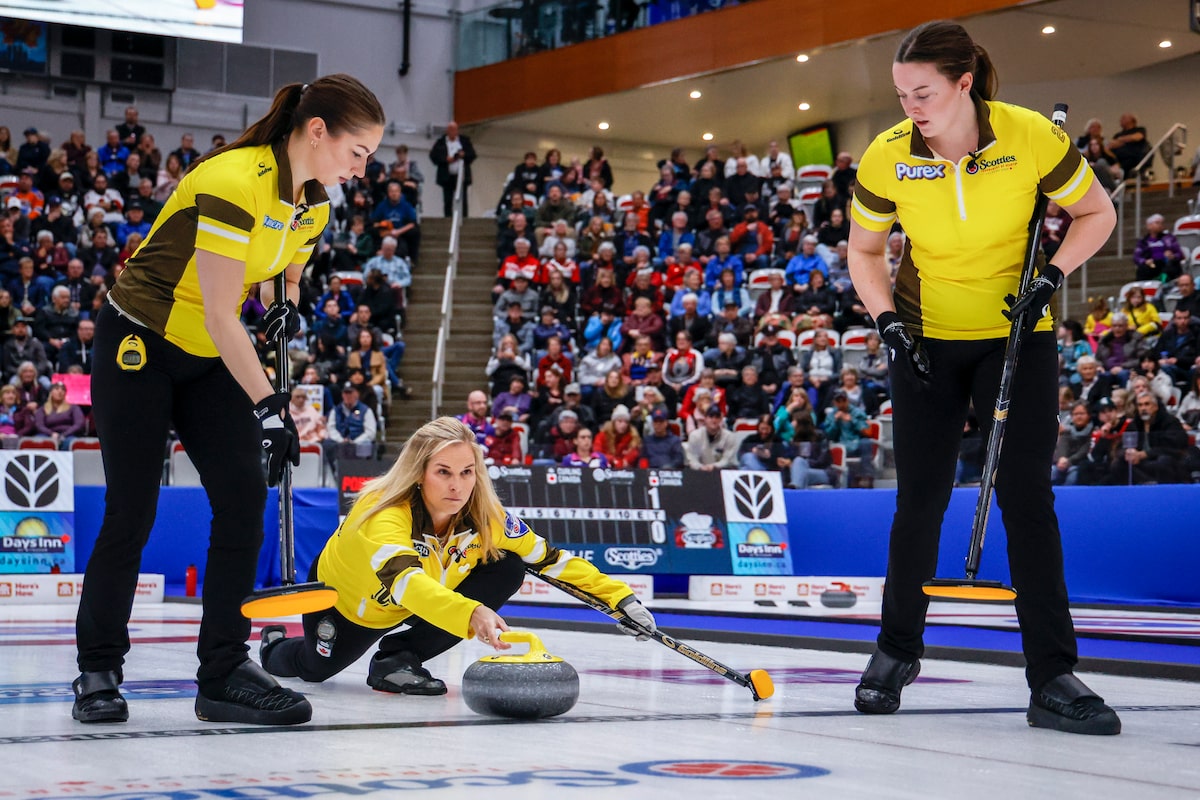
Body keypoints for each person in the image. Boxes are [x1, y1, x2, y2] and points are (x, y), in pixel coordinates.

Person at [71, 74, 386, 728]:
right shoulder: (234, 180)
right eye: (357, 153)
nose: (362, 169)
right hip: (142, 341)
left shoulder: (316, 204)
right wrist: (270, 406)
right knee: (132, 509)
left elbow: (284, 277)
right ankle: (98, 668)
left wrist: (286, 309)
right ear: (318, 131)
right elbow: (219, 312)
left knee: (244, 498)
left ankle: (222, 672)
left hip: (207, 356)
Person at [846, 21, 1120, 734]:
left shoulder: (1030, 137)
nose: (910, 105)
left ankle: (1052, 673)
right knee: (920, 500)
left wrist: (1053, 276)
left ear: (964, 83)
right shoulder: (887, 157)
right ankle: (896, 649)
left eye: (924, 91)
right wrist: (885, 323)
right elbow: (865, 252)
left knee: (1026, 495)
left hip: (1015, 334)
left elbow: (1097, 211)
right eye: (901, 92)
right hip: (926, 341)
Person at [260, 417, 653, 692]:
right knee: (314, 669)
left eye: (467, 472)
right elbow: (405, 583)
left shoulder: (486, 516)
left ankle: (398, 659)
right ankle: (274, 645)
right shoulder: (380, 514)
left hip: (427, 594)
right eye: (443, 472)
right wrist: (471, 612)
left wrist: (620, 600)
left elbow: (550, 559)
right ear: (418, 472)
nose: (458, 485)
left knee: (509, 565)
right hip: (351, 603)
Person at [430, 121, 476, 217]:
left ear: (457, 131)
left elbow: (472, 155)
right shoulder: (440, 142)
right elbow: (433, 156)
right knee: (447, 199)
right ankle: (448, 217)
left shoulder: (464, 141)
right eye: (450, 130)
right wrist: (445, 159)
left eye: (454, 130)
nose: (452, 132)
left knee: (463, 198)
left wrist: (463, 155)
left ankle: (464, 217)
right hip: (447, 176)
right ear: (447, 131)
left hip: (461, 175)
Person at [683, 404, 737, 471]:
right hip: (699, 473)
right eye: (711, 417)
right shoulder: (695, 435)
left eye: (717, 417)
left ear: (721, 419)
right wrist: (700, 467)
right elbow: (692, 458)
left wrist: (714, 466)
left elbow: (728, 459)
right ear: (705, 418)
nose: (714, 420)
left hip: (722, 472)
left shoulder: (729, 436)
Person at [593, 403, 641, 468]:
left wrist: (623, 461)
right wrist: (613, 460)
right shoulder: (602, 436)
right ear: (613, 422)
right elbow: (597, 452)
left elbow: (634, 453)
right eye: (620, 421)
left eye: (626, 422)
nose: (623, 425)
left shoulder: (632, 437)